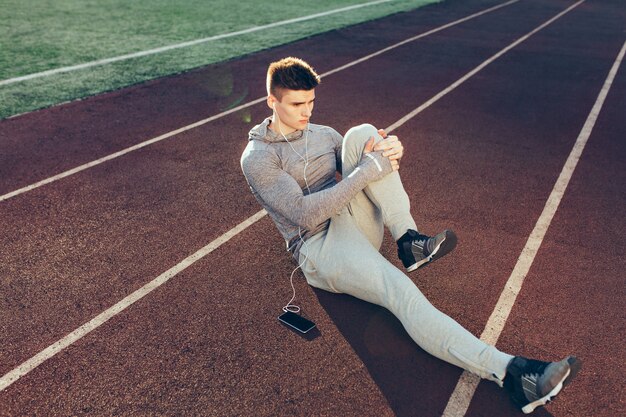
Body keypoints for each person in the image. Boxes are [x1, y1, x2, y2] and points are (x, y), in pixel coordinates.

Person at [240, 57, 580, 414]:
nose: (306, 111)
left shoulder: (323, 135)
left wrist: (389, 153)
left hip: (351, 221)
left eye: (310, 102)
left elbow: (371, 167)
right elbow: (304, 213)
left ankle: (408, 240)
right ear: (271, 102)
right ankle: (513, 375)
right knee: (400, 291)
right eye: (297, 104)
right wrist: (370, 169)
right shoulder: (258, 157)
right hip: (318, 245)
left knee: (364, 134)